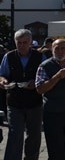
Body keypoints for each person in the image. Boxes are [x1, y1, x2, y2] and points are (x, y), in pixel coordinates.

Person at [35, 39, 65, 160]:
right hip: (53, 113)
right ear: (52, 49)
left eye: (63, 48)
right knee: (55, 147)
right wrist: (57, 77)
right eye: (57, 48)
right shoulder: (45, 66)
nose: (60, 51)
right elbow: (40, 89)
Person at [0, 29, 45, 160]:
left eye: (25, 42)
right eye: (19, 42)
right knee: (15, 134)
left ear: (30, 42)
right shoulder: (9, 56)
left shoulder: (39, 56)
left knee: (34, 135)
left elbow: (45, 75)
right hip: (14, 101)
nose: (22, 45)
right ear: (15, 42)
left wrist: (36, 83)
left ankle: (31, 158)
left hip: (34, 101)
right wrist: (3, 81)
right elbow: (2, 74)